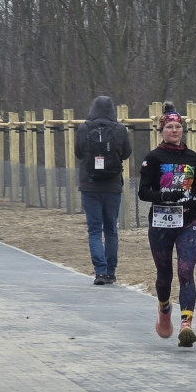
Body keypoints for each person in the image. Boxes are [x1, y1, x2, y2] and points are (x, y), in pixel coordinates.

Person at [137, 102, 196, 347]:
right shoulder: (153, 158)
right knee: (165, 276)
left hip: (188, 221)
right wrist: (162, 196)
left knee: (186, 272)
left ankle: (186, 325)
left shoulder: (194, 158)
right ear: (161, 130)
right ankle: (164, 308)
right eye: (169, 126)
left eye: (178, 126)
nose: (174, 130)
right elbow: (143, 192)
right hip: (161, 223)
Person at [74, 95, 132, 285]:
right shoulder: (120, 129)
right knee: (111, 229)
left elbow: (78, 153)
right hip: (113, 185)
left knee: (94, 230)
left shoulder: (84, 128)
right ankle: (111, 272)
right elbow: (126, 153)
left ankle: (99, 271)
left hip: (90, 185)